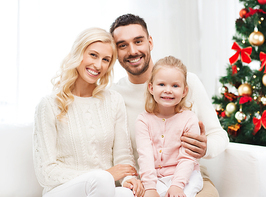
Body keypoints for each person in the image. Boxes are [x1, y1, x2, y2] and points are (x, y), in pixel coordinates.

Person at [110, 14, 229, 197]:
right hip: (146, 184)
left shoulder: (187, 81)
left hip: (190, 180)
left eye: (138, 41)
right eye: (122, 45)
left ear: (150, 42)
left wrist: (205, 148)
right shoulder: (115, 95)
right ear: (115, 52)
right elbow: (119, 153)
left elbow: (219, 135)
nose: (132, 51)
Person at [33, 27, 144, 197]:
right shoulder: (49, 105)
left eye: (106, 59)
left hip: (103, 188)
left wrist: (129, 178)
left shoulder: (114, 101)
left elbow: (123, 157)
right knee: (100, 179)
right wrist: (105, 175)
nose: (98, 65)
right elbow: (46, 173)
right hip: (62, 190)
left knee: (128, 194)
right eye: (93, 55)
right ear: (79, 53)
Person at [136, 56, 203, 197]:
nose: (168, 90)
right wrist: (149, 187)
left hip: (187, 176)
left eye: (175, 86)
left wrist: (177, 186)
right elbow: (145, 155)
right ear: (151, 87)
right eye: (161, 84)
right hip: (156, 179)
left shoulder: (189, 119)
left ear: (184, 91)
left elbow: (187, 157)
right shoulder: (143, 120)